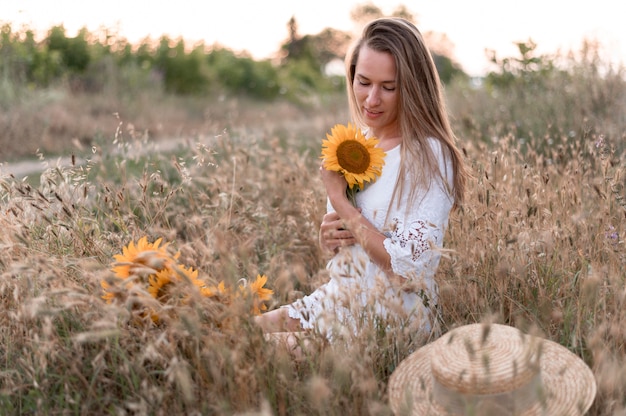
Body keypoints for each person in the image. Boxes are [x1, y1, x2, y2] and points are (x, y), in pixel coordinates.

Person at [254, 17, 468, 352]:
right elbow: (356, 248)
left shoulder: (429, 155)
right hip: (338, 299)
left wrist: (340, 202)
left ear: (412, 87)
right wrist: (333, 238)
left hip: (390, 318)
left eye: (388, 86)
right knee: (239, 333)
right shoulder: (358, 149)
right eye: (363, 81)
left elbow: (410, 272)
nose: (371, 99)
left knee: (256, 351)